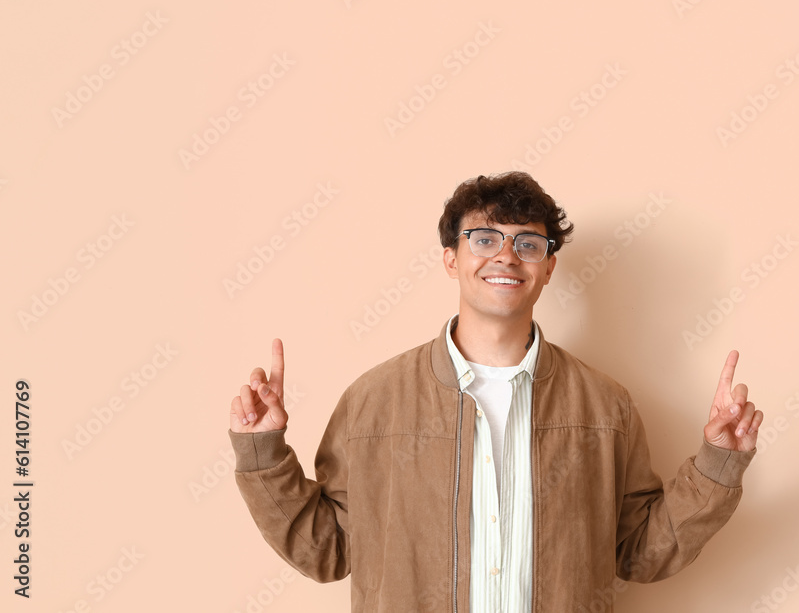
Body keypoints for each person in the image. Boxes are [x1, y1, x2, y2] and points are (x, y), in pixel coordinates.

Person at [228, 171, 763, 612]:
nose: (506, 256)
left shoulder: (606, 407)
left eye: (528, 243)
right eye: (484, 239)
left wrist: (718, 465)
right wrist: (263, 455)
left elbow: (640, 554)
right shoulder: (374, 400)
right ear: (451, 258)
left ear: (547, 267)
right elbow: (329, 551)